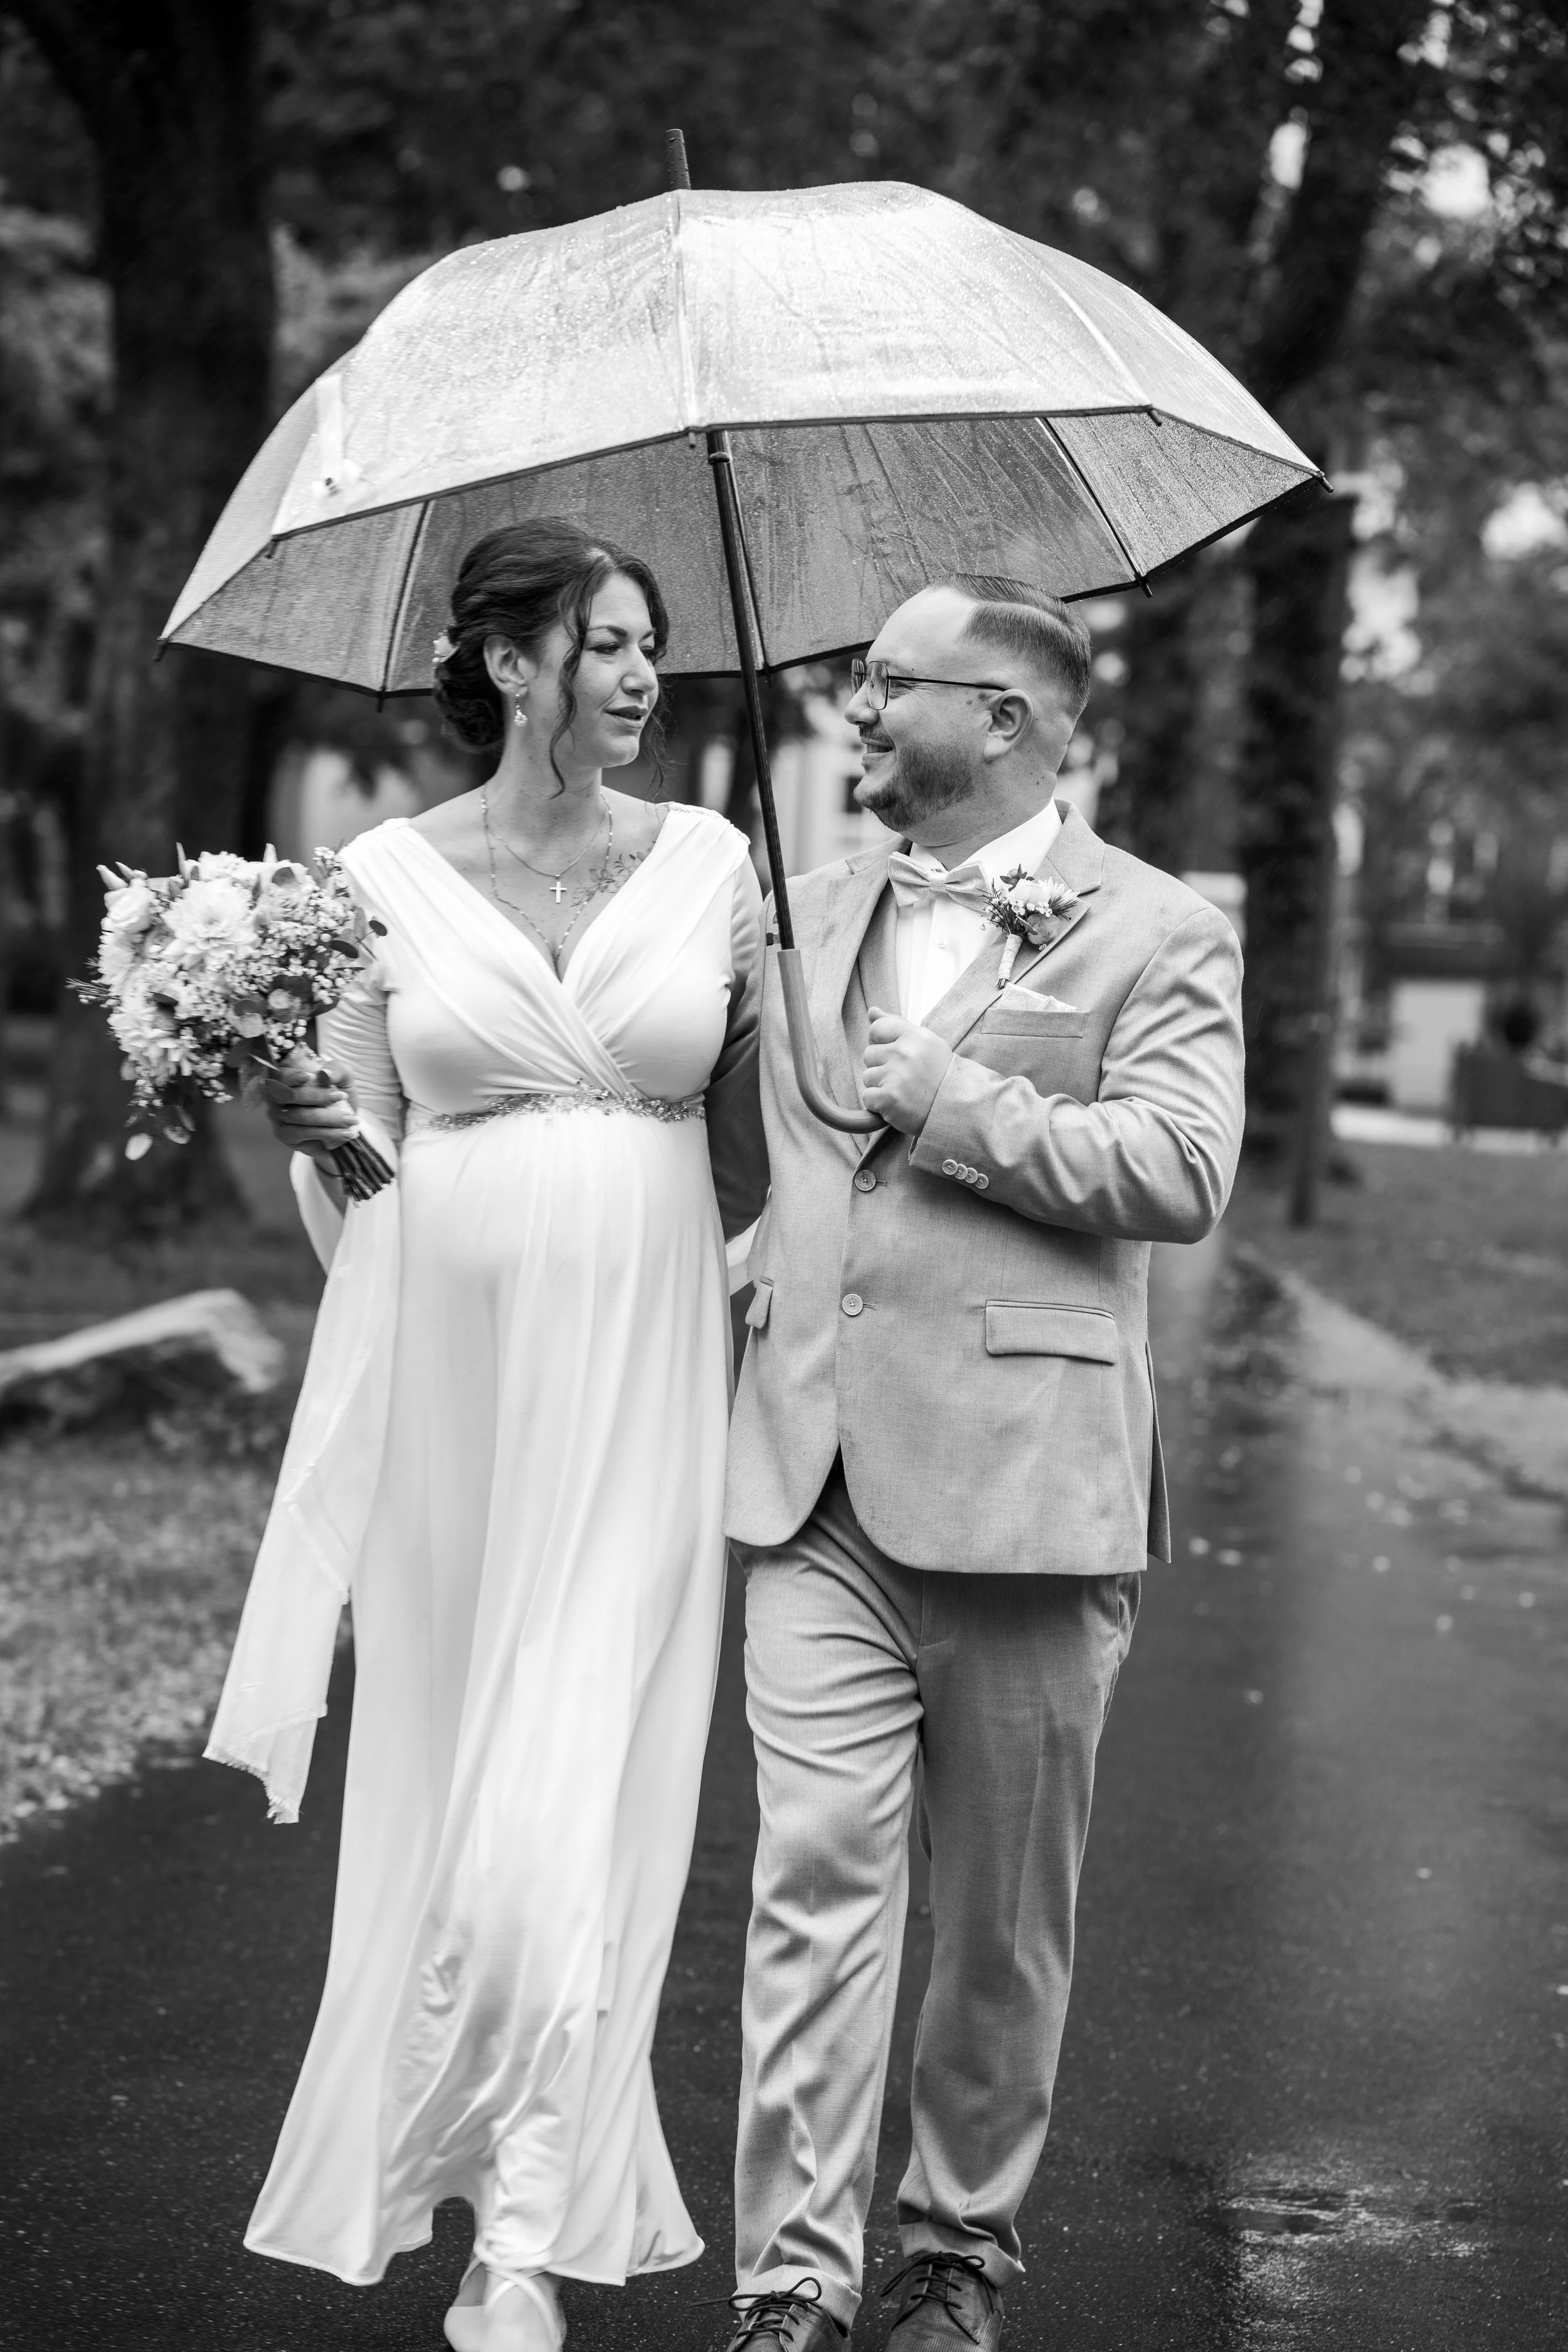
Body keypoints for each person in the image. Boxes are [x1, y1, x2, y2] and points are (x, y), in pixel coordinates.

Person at [205, 519, 768, 2352]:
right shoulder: (377, 877)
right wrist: (312, 1121)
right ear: (507, 662)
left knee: (581, 1793)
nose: (634, 677)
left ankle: (522, 2231)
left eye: (650, 649)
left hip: (642, 1386)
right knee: (462, 1786)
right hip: (454, 1381)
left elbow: (779, 1143)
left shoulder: (716, 865)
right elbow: (365, 1170)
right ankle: (483, 2179)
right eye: (602, 643)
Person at [718, 576, 1244, 2351]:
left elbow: (1178, 1168)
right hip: (815, 1483)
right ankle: (788, 2276)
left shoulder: (1158, 929)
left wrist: (954, 1100)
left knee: (998, 1926)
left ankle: (954, 2246)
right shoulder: (794, 913)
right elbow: (759, 1150)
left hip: (1029, 1492)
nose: (856, 711)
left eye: (889, 685)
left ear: (1006, 717)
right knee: (809, 1886)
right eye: (855, 683)